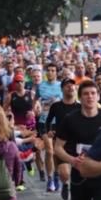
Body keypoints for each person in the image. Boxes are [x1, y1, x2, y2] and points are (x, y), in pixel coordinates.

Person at [46, 78, 81, 200]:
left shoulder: (80, 106)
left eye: (72, 85)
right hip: (61, 144)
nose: (70, 87)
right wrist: (49, 131)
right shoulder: (56, 106)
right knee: (64, 173)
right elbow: (48, 121)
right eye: (67, 85)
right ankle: (65, 184)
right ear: (62, 89)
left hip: (78, 144)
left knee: (78, 176)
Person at [35, 63, 63, 191]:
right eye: (49, 70)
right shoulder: (40, 86)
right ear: (46, 73)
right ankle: (50, 179)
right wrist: (36, 106)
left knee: (57, 152)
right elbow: (35, 101)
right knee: (49, 151)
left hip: (58, 122)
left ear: (56, 72)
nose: (51, 72)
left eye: (53, 70)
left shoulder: (61, 86)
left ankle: (56, 175)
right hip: (44, 121)